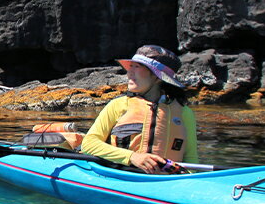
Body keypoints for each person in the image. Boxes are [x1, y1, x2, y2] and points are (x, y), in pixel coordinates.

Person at [80, 44, 197, 174]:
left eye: (137, 67)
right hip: (122, 176)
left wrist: (187, 181)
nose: (129, 73)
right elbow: (88, 144)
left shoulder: (184, 112)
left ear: (157, 77)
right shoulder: (118, 105)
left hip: (166, 181)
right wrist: (132, 157)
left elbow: (191, 160)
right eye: (130, 67)